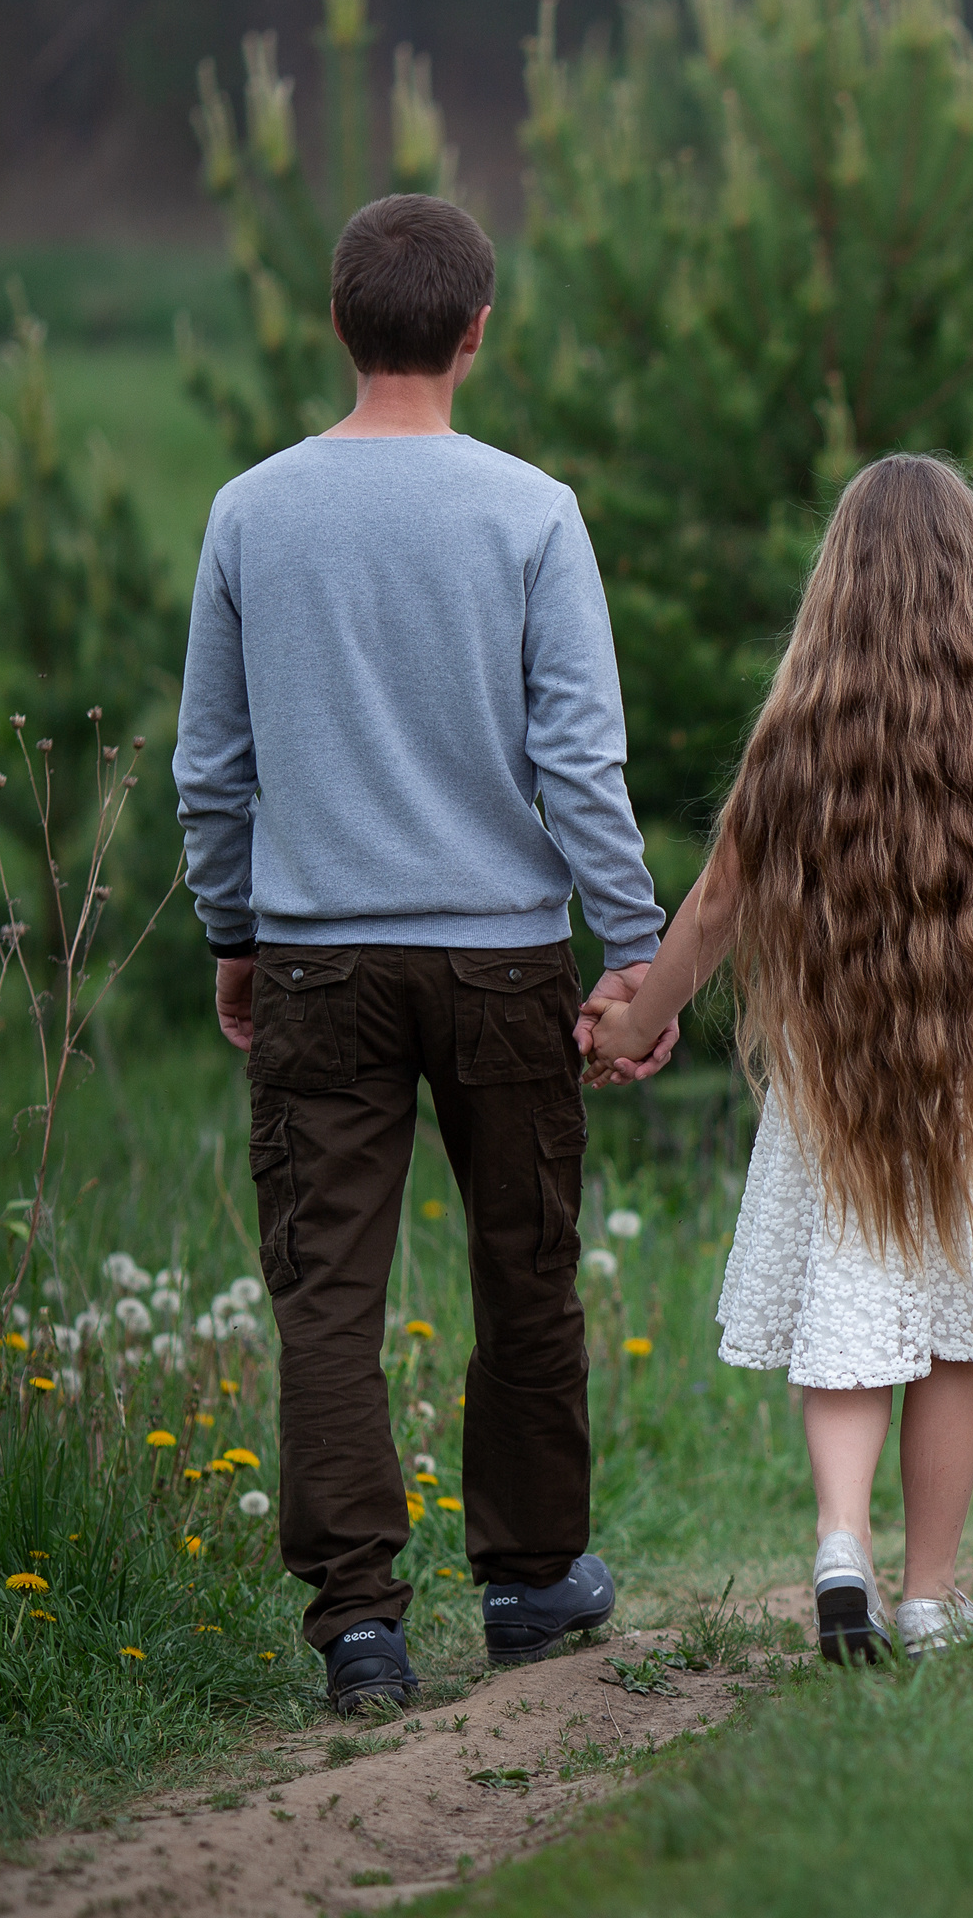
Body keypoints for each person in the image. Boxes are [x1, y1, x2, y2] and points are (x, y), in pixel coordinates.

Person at [173, 195, 677, 1714]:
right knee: (525, 1266)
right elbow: (579, 762)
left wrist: (235, 931)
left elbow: (213, 766)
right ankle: (529, 1578)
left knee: (326, 1287)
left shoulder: (251, 511)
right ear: (476, 332)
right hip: (505, 964)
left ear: (339, 323)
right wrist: (636, 951)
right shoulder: (532, 511)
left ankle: (358, 1626)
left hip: (316, 962)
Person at [582, 453, 973, 1661]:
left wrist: (633, 1022)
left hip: (837, 1064)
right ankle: (928, 1596)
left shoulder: (797, 732)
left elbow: (716, 908)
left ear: (837, 583)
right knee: (950, 1334)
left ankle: (842, 1542)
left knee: (850, 1306)